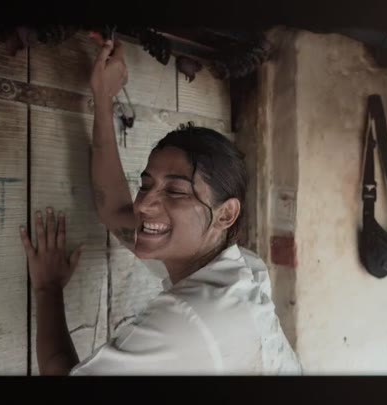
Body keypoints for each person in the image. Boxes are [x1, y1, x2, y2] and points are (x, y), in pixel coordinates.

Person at [19, 39, 301, 375]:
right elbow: (114, 210)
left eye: (176, 191)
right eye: (146, 185)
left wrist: (47, 289)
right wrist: (103, 100)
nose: (144, 205)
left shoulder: (187, 320)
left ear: (226, 214)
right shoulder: (244, 268)